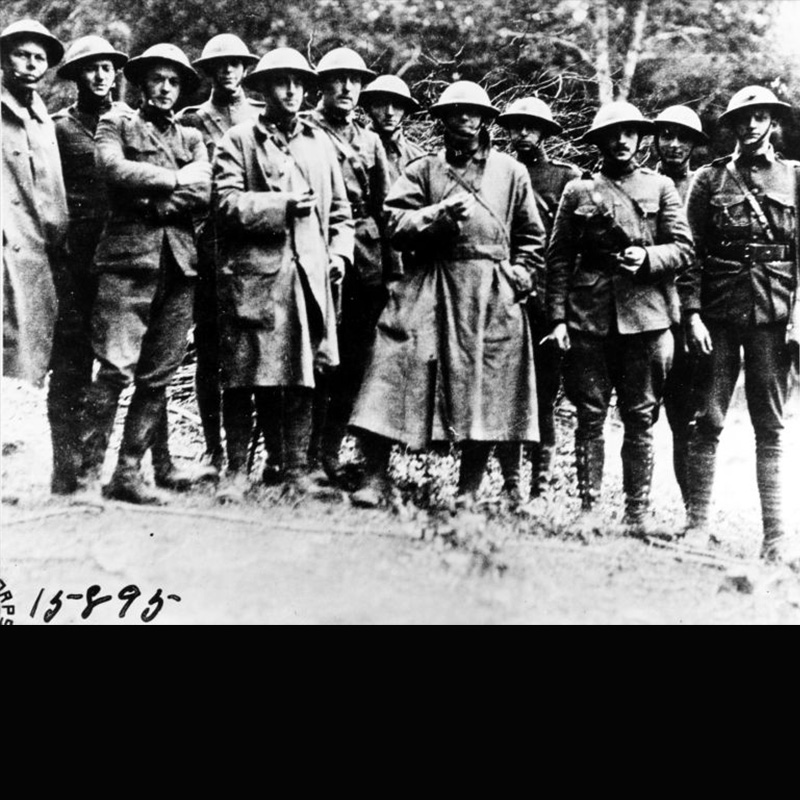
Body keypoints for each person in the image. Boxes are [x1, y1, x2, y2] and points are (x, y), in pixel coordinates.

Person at [349, 81, 546, 509]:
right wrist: (437, 215)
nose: (464, 119)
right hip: (431, 283)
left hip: (490, 292)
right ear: (442, 120)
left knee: (487, 382)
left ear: (486, 120)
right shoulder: (423, 170)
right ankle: (375, 476)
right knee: (392, 364)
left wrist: (521, 275)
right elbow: (395, 224)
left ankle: (468, 490)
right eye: (454, 112)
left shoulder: (511, 172)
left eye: (473, 112)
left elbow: (532, 236)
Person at [212, 48, 354, 501]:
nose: (291, 91)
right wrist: (281, 205)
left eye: (298, 82)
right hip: (255, 277)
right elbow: (225, 204)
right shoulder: (239, 139)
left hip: (309, 277)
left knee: (304, 372)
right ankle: (237, 471)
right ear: (263, 88)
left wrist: (339, 254)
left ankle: (295, 470)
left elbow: (342, 212)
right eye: (281, 82)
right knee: (243, 374)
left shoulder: (320, 143)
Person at [546, 102, 694, 536]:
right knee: (590, 416)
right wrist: (558, 319)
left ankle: (637, 514)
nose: (621, 141)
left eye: (629, 133)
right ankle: (589, 510)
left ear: (640, 138)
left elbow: (684, 249)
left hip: (646, 319)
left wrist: (648, 258)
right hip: (589, 318)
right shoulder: (578, 191)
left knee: (640, 417)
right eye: (612, 134)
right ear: (599, 142)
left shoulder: (660, 186)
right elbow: (558, 258)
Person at [81, 44, 212, 504]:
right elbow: (112, 169)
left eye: (174, 81)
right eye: (157, 79)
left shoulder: (192, 138)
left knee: (158, 374)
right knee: (115, 369)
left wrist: (151, 200)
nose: (165, 88)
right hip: (127, 263)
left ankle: (129, 472)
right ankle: (86, 476)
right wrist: (175, 180)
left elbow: (205, 190)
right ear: (141, 84)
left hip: (179, 267)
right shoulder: (115, 124)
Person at [682, 87, 800, 564]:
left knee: (770, 426)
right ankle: (696, 526)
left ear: (772, 122)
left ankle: (776, 537)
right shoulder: (709, 179)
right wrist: (692, 313)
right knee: (708, 419)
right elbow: (689, 253)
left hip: (774, 316)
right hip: (719, 315)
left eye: (760, 117)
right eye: (743, 119)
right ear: (731, 126)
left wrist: (797, 319)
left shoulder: (794, 177)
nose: (751, 126)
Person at [305, 47, 393, 486]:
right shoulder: (305, 129)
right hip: (317, 247)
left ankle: (330, 452)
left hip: (366, 262)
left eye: (355, 81)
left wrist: (393, 271)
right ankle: (302, 454)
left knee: (354, 362)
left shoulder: (370, 140)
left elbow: (386, 207)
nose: (347, 88)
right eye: (338, 79)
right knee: (314, 357)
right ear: (321, 85)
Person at [47, 36, 129, 494]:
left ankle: (96, 465)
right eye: (91, 68)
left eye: (107, 68)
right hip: (74, 262)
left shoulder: (128, 123)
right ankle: (66, 468)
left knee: (116, 363)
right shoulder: (58, 128)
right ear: (76, 75)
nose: (100, 76)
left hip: (120, 258)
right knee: (71, 365)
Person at [177, 34, 262, 473]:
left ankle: (248, 454)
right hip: (208, 248)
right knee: (210, 352)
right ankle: (213, 448)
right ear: (209, 71)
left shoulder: (262, 117)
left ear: (246, 69)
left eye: (235, 63)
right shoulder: (190, 121)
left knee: (253, 349)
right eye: (220, 64)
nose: (228, 70)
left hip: (255, 248)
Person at [496, 97, 581, 501]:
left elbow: (573, 247)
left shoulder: (566, 177)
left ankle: (540, 486)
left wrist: (563, 305)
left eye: (532, 127)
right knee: (506, 391)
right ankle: (511, 483)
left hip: (548, 301)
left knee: (544, 394)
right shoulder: (498, 173)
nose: (524, 134)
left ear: (545, 132)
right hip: (505, 296)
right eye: (517, 126)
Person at [2, 20, 67, 388]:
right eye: (21, 55)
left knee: (29, 363)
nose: (30, 65)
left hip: (39, 251)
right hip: (6, 246)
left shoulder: (43, 119)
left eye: (39, 58)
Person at [652, 105, 709, 511]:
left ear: (693, 144)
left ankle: (693, 511)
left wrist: (695, 311)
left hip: (689, 316)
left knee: (685, 417)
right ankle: (634, 507)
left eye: (682, 137)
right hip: (645, 312)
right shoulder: (642, 184)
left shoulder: (702, 187)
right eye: (666, 135)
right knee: (639, 414)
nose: (673, 144)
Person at [360, 74, 425, 186]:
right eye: (381, 104)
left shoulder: (418, 157)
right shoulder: (354, 149)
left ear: (405, 111)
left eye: (397, 105)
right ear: (369, 108)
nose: (389, 112)